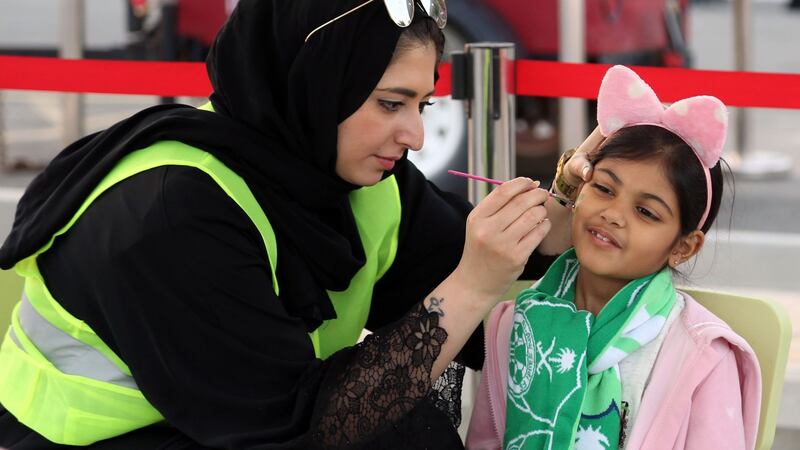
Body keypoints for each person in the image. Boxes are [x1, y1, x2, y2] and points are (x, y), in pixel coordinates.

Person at [0, 1, 587, 448]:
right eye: (390, 103)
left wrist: (581, 197)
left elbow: (487, 246)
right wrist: (473, 285)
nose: (414, 135)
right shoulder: (171, 216)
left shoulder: (335, 167)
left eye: (422, 105)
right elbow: (315, 429)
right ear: (313, 82)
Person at [465, 65, 762, 450]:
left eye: (646, 212)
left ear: (682, 247)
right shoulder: (516, 321)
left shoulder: (700, 355)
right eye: (604, 188)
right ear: (577, 191)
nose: (614, 213)